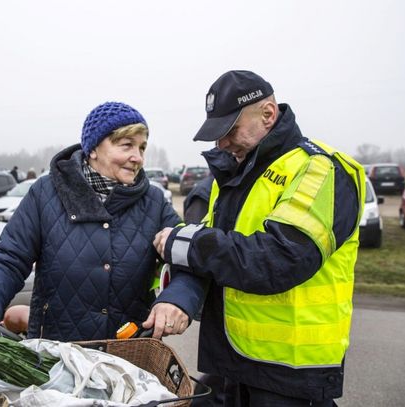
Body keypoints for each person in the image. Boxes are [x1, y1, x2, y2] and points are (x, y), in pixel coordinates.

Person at [154, 70, 365, 406]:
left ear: (268, 114)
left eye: (229, 130)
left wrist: (187, 244)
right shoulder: (236, 175)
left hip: (290, 373)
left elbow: (279, 259)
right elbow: (214, 249)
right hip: (236, 362)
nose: (221, 143)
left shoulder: (319, 169)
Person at [0, 101, 203, 341]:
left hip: (129, 356)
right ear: (93, 149)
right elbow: (9, 257)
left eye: (142, 148)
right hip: (55, 355)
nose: (138, 158)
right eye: (127, 145)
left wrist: (177, 299)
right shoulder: (45, 193)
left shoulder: (153, 202)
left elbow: (191, 261)